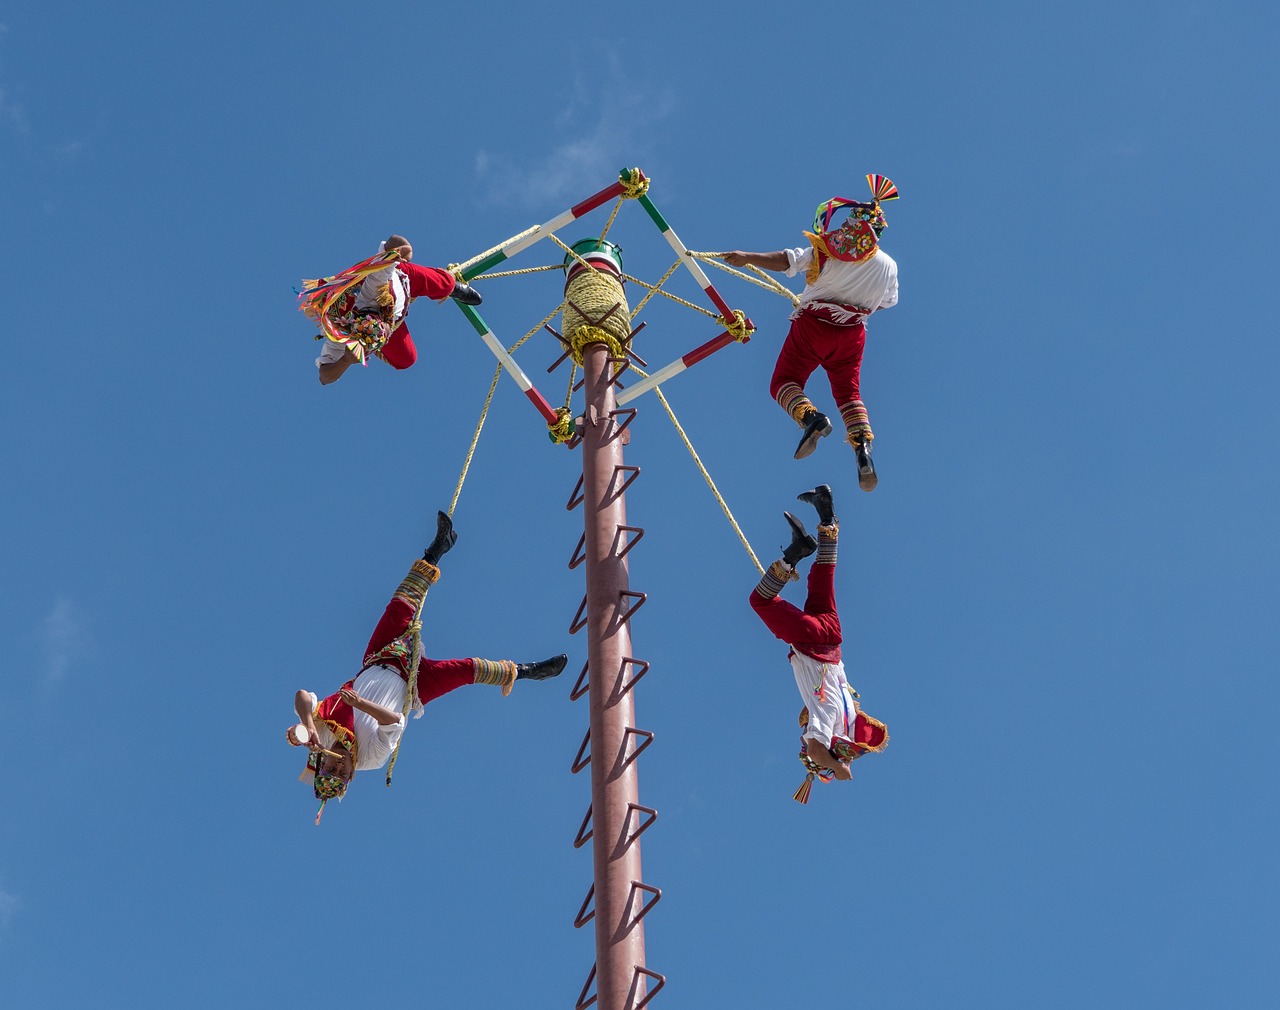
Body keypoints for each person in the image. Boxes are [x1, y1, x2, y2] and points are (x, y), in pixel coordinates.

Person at [288, 511, 567, 822]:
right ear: (351, 776)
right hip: (414, 686)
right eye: (342, 772)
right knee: (466, 669)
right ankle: (526, 671)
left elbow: (302, 696)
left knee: (400, 605)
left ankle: (438, 548)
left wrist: (309, 725)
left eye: (331, 768)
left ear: (322, 763)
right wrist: (361, 704)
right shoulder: (371, 759)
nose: (339, 764)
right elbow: (395, 721)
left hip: (379, 658)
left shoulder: (322, 737)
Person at [723, 175, 899, 491]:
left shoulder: (827, 250)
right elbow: (887, 303)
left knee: (783, 382)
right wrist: (854, 303)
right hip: (852, 335)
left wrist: (748, 257)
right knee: (848, 394)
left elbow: (788, 261)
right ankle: (862, 448)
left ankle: (811, 418)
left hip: (815, 325)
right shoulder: (888, 265)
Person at [748, 484, 888, 803]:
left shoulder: (846, 709)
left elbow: (817, 709)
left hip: (832, 637)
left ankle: (826, 514)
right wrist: (838, 770)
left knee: (823, 576)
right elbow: (815, 748)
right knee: (761, 601)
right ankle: (794, 552)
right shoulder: (828, 722)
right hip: (811, 642)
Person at [303, 234, 484, 385]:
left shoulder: (373, 288)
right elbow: (324, 377)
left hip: (403, 278)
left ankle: (454, 288)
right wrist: (346, 361)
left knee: (445, 284)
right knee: (406, 359)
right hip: (378, 323)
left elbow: (391, 243)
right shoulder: (342, 335)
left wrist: (402, 249)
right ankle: (377, 338)